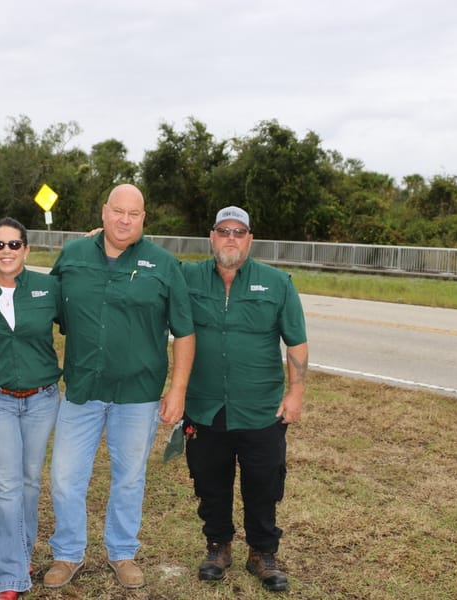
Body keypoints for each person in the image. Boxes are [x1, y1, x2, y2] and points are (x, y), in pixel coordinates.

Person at [43, 183, 196, 590]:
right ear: (104, 211)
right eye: (118, 211)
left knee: (129, 477)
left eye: (134, 214)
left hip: (138, 393)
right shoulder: (73, 256)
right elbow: (47, 310)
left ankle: (122, 552)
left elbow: (184, 332)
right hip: (82, 388)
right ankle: (68, 553)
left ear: (144, 219)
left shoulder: (164, 265)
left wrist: (177, 389)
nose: (124, 220)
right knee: (64, 476)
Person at [180, 206, 308, 592]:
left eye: (239, 232)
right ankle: (218, 546)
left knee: (263, 484)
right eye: (224, 231)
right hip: (206, 407)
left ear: (250, 239)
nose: (231, 239)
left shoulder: (276, 283)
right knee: (210, 482)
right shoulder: (186, 277)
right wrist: (99, 242)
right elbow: (145, 268)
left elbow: (296, 342)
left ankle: (263, 553)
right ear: (212, 236)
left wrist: (296, 393)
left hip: (261, 408)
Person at [0, 217, 63, 600]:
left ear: (26, 248)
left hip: (42, 399)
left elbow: (77, 325)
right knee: (6, 487)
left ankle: (21, 552)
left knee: (30, 482)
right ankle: (11, 576)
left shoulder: (48, 288)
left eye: (14, 245)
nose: (7, 251)